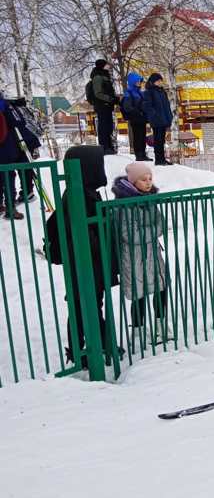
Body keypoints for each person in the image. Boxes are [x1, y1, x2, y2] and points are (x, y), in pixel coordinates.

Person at [45, 145, 120, 367]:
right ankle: (83, 350)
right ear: (87, 168)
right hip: (84, 262)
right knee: (81, 305)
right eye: (97, 165)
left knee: (90, 303)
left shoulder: (86, 191)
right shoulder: (77, 195)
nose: (101, 169)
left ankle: (95, 345)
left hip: (90, 262)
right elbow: (83, 233)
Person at [111, 162, 169, 344]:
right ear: (133, 181)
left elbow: (161, 225)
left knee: (161, 288)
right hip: (134, 257)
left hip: (153, 253)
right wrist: (151, 230)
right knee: (139, 293)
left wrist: (148, 230)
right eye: (143, 179)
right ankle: (138, 332)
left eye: (150, 178)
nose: (148, 182)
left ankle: (161, 326)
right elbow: (131, 234)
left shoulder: (150, 199)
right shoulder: (124, 204)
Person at [0, 93, 41, 220]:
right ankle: (11, 208)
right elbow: (16, 122)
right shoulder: (7, 105)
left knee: (5, 174)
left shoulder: (7, 105)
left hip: (10, 144)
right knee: (8, 174)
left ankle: (5, 205)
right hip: (7, 146)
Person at [88, 59, 121, 155]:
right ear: (102, 66)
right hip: (102, 105)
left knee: (108, 126)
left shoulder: (104, 76)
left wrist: (114, 99)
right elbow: (98, 93)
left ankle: (109, 146)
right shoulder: (98, 77)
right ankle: (104, 147)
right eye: (107, 65)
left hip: (107, 105)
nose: (109, 66)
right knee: (103, 126)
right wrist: (111, 99)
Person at [141, 73, 174, 166]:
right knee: (158, 140)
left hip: (163, 119)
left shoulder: (162, 92)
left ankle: (162, 159)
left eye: (161, 81)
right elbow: (147, 106)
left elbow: (166, 106)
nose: (160, 82)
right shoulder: (149, 92)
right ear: (153, 82)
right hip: (156, 120)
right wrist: (154, 115)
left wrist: (169, 117)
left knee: (162, 140)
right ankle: (159, 160)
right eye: (158, 81)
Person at [121, 72, 150, 162]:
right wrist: (138, 112)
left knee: (142, 136)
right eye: (137, 81)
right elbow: (127, 107)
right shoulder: (128, 93)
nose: (139, 83)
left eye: (140, 81)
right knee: (137, 136)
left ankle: (143, 153)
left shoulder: (140, 92)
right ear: (133, 82)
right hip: (135, 118)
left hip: (142, 118)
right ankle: (139, 154)